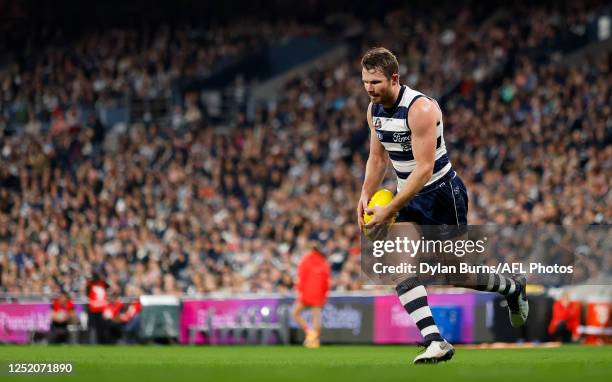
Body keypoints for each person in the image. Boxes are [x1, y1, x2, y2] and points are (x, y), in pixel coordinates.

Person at [356, 47, 529, 363]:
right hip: (405, 196)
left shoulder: (421, 109)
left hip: (441, 195)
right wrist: (366, 194)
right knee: (399, 264)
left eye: (376, 82)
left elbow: (423, 170)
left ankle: (511, 287)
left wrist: (390, 208)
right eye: (366, 81)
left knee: (458, 274)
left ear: (395, 78)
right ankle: (435, 339)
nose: (369, 88)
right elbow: (378, 157)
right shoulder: (374, 111)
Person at [292, 247, 330, 348]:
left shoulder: (305, 260)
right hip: (318, 295)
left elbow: (301, 277)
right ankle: (315, 341)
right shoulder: (323, 263)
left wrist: (299, 290)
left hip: (306, 293)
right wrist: (324, 296)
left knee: (295, 314)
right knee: (316, 318)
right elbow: (326, 282)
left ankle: (309, 331)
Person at [86, 271, 109, 344]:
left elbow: (87, 293)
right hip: (98, 308)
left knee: (96, 327)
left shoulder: (91, 284)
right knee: (98, 328)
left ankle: (96, 342)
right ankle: (98, 342)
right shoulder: (102, 284)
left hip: (96, 309)